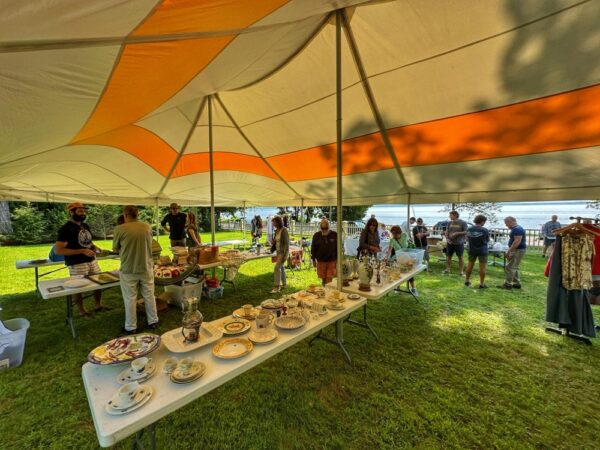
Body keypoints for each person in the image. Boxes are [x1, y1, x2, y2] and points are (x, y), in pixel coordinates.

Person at [54, 202, 108, 316]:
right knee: (79, 287)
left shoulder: (85, 226)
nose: (83, 213)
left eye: (84, 211)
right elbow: (58, 250)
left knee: (99, 282)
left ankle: (98, 305)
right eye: (80, 211)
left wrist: (95, 248)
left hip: (92, 260)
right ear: (71, 212)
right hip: (77, 263)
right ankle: (82, 311)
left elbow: (88, 241)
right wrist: (82, 251)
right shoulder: (65, 229)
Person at [113, 205, 159, 334]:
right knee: (149, 295)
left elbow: (115, 249)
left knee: (130, 298)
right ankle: (153, 321)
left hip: (129, 268)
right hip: (146, 266)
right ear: (137, 214)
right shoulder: (147, 227)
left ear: (125, 214)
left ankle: (131, 327)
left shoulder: (119, 229)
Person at [385, 225, 417, 295]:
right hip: (397, 258)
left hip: (407, 258)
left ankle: (413, 288)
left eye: (394, 233)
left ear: (398, 232)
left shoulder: (404, 235)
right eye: (392, 233)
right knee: (397, 272)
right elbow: (389, 250)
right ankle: (398, 287)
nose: (393, 235)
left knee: (409, 273)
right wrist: (386, 258)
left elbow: (409, 244)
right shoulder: (392, 240)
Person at [498, 216, 527, 290]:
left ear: (510, 221)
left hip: (517, 250)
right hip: (518, 249)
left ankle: (508, 284)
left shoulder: (517, 229)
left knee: (509, 267)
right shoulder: (517, 228)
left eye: (506, 223)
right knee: (514, 267)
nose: (506, 225)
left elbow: (517, 241)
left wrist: (509, 251)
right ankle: (516, 283)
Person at [464, 215, 490, 288]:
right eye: (484, 222)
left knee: (470, 265)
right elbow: (487, 240)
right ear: (482, 221)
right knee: (482, 267)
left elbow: (466, 238)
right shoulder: (484, 230)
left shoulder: (469, 229)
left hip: (472, 249)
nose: (484, 223)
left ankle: (467, 280)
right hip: (482, 250)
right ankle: (482, 284)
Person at [310, 218, 337, 285]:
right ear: (320, 227)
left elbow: (338, 248)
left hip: (331, 261)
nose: (324, 230)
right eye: (322, 228)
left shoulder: (335, 235)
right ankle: (325, 292)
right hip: (320, 261)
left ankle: (328, 292)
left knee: (329, 280)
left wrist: (338, 260)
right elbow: (313, 248)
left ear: (329, 227)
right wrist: (313, 260)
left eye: (326, 228)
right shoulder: (316, 235)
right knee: (323, 280)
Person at [444, 211, 468, 275]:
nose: (449, 216)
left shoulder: (463, 223)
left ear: (455, 215)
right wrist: (447, 239)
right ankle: (447, 269)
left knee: (460, 257)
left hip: (459, 243)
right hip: (450, 243)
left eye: (451, 215)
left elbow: (466, 232)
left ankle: (461, 271)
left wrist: (457, 233)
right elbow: (446, 231)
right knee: (448, 256)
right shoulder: (449, 223)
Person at [270, 216, 289, 293]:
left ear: (278, 222)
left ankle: (277, 287)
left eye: (274, 222)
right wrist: (273, 244)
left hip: (283, 252)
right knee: (282, 268)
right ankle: (284, 284)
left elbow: (286, 244)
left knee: (276, 268)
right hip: (278, 252)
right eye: (273, 222)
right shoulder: (276, 231)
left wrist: (285, 255)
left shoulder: (284, 230)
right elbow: (276, 242)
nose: (273, 224)